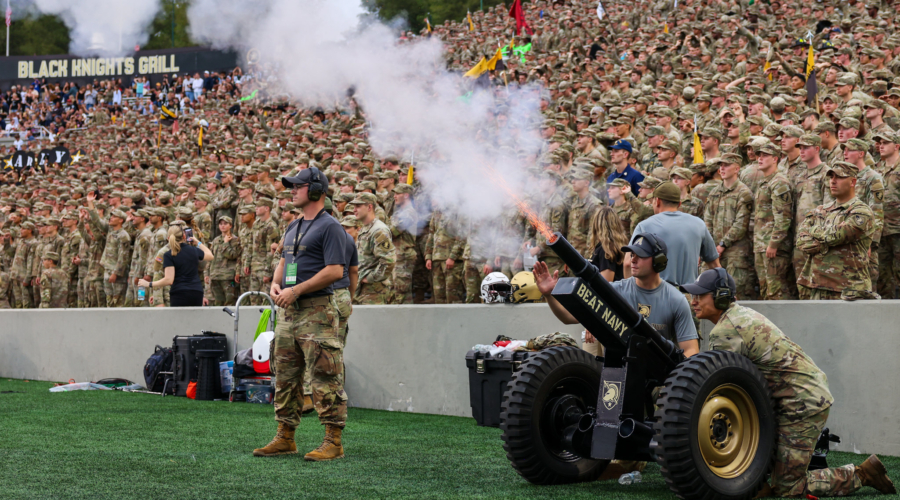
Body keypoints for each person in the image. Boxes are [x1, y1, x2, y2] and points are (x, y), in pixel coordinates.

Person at [681, 268, 896, 498]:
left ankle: (862, 474)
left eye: (700, 295)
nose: (693, 301)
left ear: (721, 296)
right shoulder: (738, 316)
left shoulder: (726, 331)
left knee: (788, 488)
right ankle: (758, 484)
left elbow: (720, 390)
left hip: (802, 404)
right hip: (793, 398)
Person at [255, 167, 347, 462]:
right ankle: (285, 437)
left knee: (325, 376)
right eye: (291, 186)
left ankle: (332, 442)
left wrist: (297, 290)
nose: (291, 190)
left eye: (298, 186)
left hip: (317, 310)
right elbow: (284, 260)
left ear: (317, 190)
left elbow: (335, 270)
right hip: (289, 314)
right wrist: (275, 283)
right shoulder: (293, 226)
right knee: (285, 376)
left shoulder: (331, 226)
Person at [796, 161, 875, 300]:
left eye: (839, 177)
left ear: (852, 182)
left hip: (849, 290)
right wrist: (825, 237)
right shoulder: (821, 210)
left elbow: (838, 236)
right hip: (818, 287)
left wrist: (814, 231)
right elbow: (801, 240)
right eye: (831, 177)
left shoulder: (861, 212)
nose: (833, 181)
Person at [631, 182, 720, 287]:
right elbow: (715, 265)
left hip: (657, 294)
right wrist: (725, 286)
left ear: (657, 201)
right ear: (679, 204)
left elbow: (629, 263)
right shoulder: (699, 224)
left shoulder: (644, 226)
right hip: (689, 295)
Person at [583, 205, 629, 356]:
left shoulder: (606, 249)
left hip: (604, 316)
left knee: (592, 365)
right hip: (613, 315)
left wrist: (592, 321)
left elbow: (606, 287)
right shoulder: (619, 247)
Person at [138, 225, 213, 307]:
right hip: (196, 292)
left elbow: (169, 280)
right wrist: (197, 242)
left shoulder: (168, 254)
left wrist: (149, 284)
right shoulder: (194, 250)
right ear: (184, 236)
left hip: (179, 293)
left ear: (168, 238)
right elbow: (210, 255)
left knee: (178, 320)